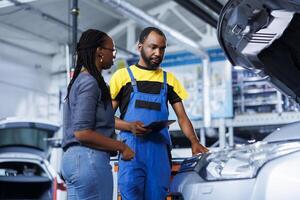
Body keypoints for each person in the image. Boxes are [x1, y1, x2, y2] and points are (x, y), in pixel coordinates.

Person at [109, 27, 209, 200]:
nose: (158, 52)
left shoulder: (169, 80)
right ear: (140, 47)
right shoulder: (122, 76)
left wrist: (194, 141)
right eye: (153, 47)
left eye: (162, 48)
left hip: (159, 153)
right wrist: (129, 126)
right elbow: (106, 117)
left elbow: (182, 117)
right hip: (131, 151)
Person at [61, 29, 135, 200]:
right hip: (89, 160)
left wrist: (129, 126)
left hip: (72, 161)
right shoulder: (90, 82)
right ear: (99, 51)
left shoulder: (79, 81)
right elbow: (82, 132)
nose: (114, 55)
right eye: (112, 50)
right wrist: (121, 146)